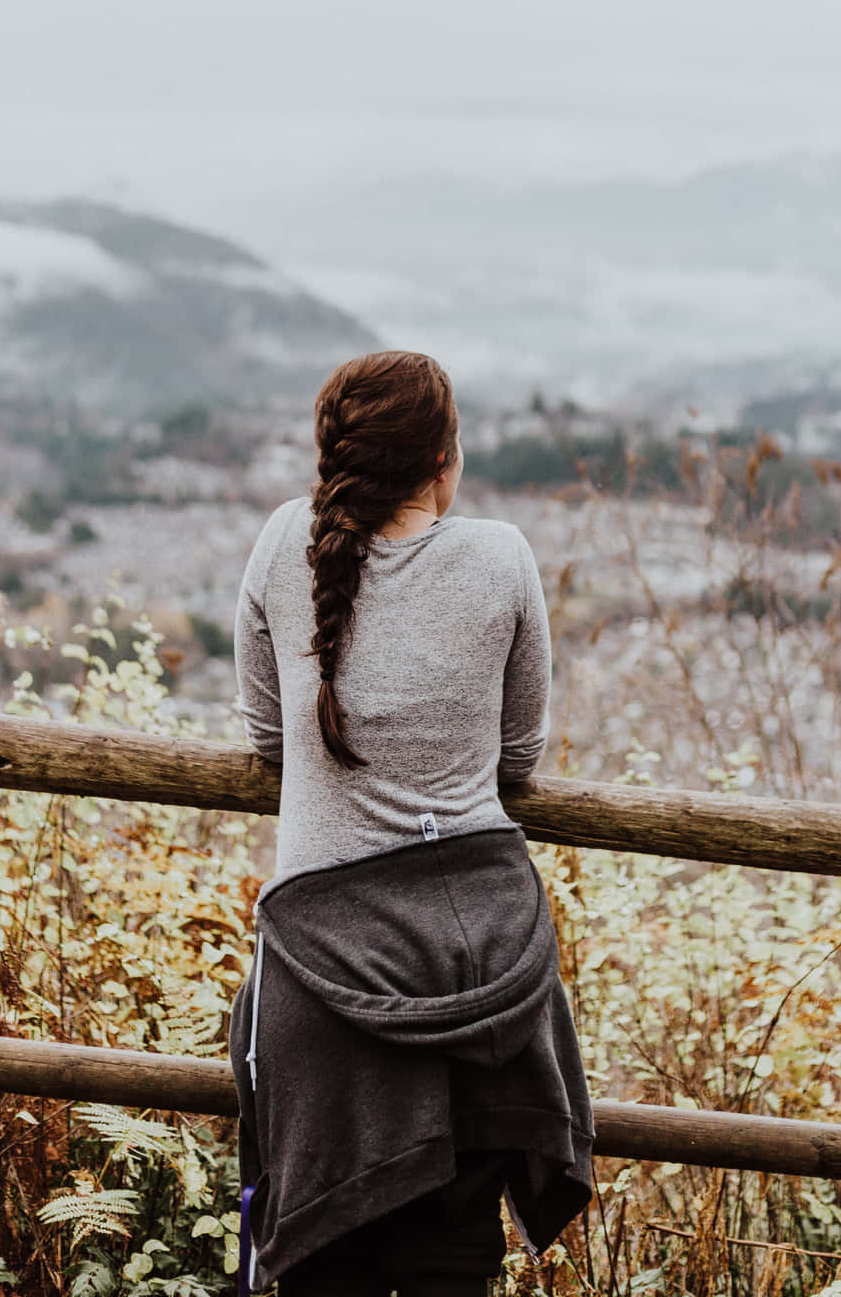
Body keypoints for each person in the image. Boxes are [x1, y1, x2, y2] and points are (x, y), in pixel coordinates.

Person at [228, 349, 594, 1297]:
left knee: (321, 1264)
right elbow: (520, 759)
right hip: (479, 963)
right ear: (444, 461)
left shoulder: (281, 545)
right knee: (455, 1259)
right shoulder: (503, 556)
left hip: (322, 972)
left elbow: (267, 733)